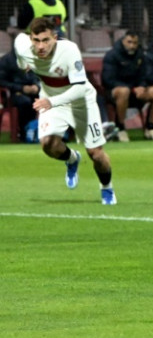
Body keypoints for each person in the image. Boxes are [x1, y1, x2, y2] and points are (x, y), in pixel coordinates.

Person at [14, 18, 116, 204]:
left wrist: (51, 102)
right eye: (36, 41)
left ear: (55, 37)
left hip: (80, 101)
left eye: (46, 40)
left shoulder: (69, 50)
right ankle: (72, 159)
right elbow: (18, 47)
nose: (41, 46)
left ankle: (107, 188)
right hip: (52, 100)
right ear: (31, 39)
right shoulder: (23, 46)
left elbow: (78, 88)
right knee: (47, 144)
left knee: (96, 154)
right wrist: (23, 64)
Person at [102, 31, 153, 142]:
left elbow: (145, 74)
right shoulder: (112, 55)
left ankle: (150, 127)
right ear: (123, 41)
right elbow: (108, 79)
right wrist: (131, 88)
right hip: (116, 91)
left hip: (136, 91)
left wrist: (142, 86)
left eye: (135, 43)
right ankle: (120, 128)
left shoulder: (140, 55)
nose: (132, 45)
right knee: (124, 91)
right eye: (129, 42)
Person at [0, 48, 40, 141]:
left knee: (49, 99)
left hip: (32, 91)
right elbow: (1, 81)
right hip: (12, 94)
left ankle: (54, 133)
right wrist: (21, 88)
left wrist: (36, 86)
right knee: (24, 102)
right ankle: (23, 133)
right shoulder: (6, 61)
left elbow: (38, 75)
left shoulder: (33, 57)